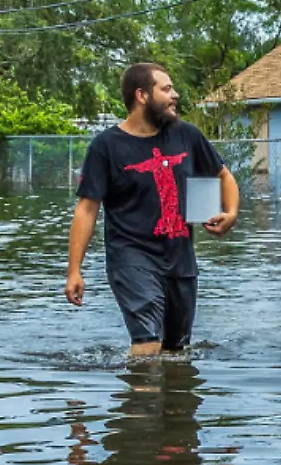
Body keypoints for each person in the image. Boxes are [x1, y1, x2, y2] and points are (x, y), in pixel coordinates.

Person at [65, 63, 239, 358]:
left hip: (180, 256)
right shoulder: (106, 146)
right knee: (147, 344)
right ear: (142, 95)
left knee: (176, 352)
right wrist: (74, 270)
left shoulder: (186, 135)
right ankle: (141, 403)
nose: (176, 95)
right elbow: (87, 209)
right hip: (131, 255)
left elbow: (223, 176)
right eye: (167, 89)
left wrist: (231, 213)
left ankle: (171, 403)